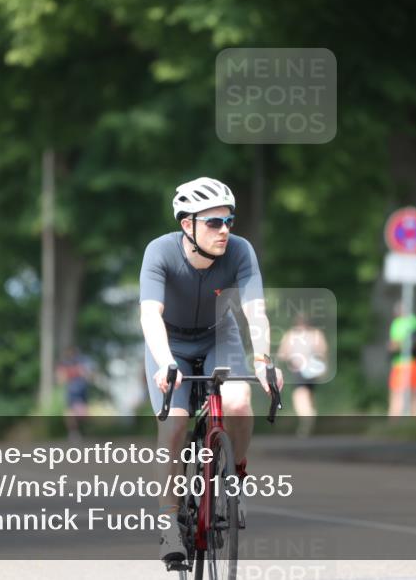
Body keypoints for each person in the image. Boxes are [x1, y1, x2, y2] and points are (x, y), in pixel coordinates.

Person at [140, 176, 283, 567]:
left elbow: (255, 310)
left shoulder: (240, 251)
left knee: (238, 401)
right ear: (187, 224)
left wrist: (264, 360)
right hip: (170, 342)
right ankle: (169, 522)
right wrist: (166, 361)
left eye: (228, 221)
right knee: (174, 426)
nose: (224, 230)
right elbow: (150, 314)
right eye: (213, 223)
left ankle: (234, 476)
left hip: (219, 333)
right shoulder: (160, 252)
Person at [277, 313, 328, 437]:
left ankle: (307, 418)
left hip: (299, 369)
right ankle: (309, 416)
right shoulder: (316, 334)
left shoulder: (291, 335)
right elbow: (323, 351)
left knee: (300, 395)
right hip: (313, 370)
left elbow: (282, 353)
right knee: (309, 394)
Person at [388, 301, 416, 417]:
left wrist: (397, 345)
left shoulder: (397, 323)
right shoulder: (415, 321)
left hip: (401, 364)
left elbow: (393, 345)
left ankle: (394, 425)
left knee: (396, 394)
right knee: (415, 395)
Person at [56, 346, 96, 440]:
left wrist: (85, 374)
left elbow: (89, 375)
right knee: (70, 413)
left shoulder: (82, 362)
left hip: (82, 391)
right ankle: (73, 432)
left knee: (83, 414)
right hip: (71, 392)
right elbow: (60, 379)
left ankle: (80, 430)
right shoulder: (64, 364)